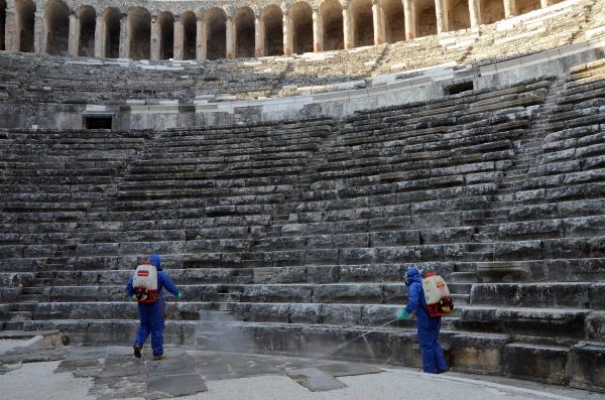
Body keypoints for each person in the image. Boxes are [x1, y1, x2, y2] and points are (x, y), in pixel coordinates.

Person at [126, 253, 182, 360]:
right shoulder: (160, 274)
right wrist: (177, 294)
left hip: (142, 303)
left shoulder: (141, 272)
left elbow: (130, 284)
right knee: (157, 329)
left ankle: (138, 343)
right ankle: (158, 353)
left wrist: (130, 295)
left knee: (144, 325)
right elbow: (169, 285)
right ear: (158, 262)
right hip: (156, 304)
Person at [397, 265, 448, 374]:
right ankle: (441, 366)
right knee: (434, 341)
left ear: (408, 277)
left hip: (425, 317)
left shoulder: (414, 285)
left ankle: (429, 369)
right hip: (437, 314)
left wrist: (405, 312)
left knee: (426, 343)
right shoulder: (426, 282)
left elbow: (413, 302)